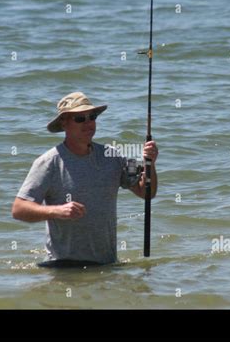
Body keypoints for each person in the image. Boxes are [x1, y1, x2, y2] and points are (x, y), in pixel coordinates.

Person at [11, 91, 158, 266]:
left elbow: (146, 192)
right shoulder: (48, 162)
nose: (88, 123)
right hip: (63, 267)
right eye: (80, 119)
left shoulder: (113, 156)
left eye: (92, 117)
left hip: (106, 265)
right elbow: (18, 209)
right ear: (64, 123)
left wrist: (150, 164)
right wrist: (57, 211)